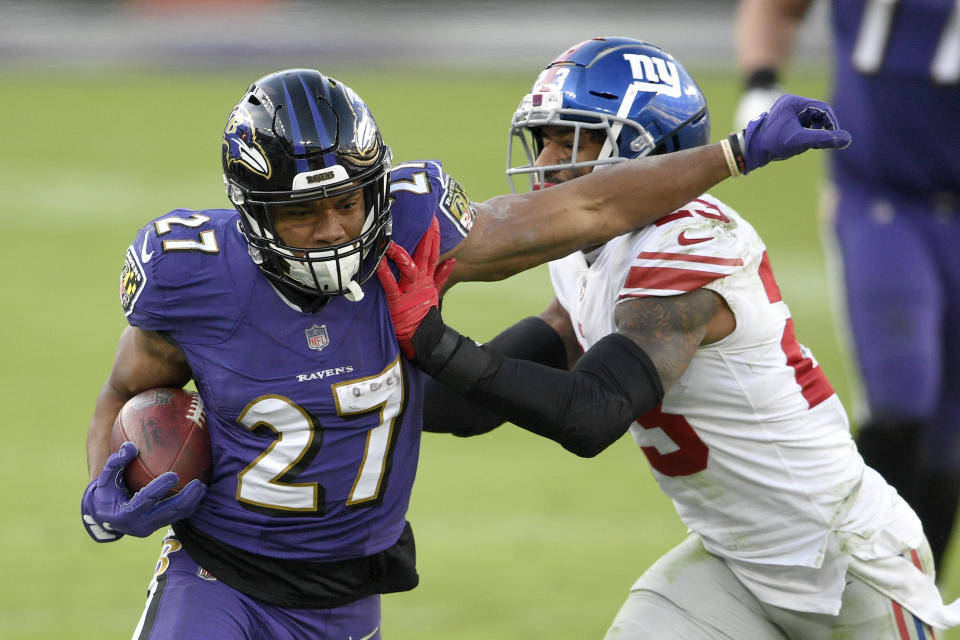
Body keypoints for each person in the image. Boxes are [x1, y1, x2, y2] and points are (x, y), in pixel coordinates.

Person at [80, 66, 846, 639]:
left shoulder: (413, 233)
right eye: (303, 214)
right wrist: (105, 485)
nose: (335, 229)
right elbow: (124, 390)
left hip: (348, 597)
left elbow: (590, 203)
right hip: (221, 581)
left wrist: (736, 153)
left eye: (348, 202)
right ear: (253, 214)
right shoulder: (192, 278)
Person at [378, 37, 960, 637]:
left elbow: (591, 414)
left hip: (845, 559)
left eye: (572, 138)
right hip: (733, 560)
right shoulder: (586, 256)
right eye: (544, 136)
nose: (548, 158)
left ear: (643, 148)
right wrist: (372, 363)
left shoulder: (692, 245)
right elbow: (468, 404)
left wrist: (437, 342)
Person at [733, 0, 960, 572]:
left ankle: (912, 602)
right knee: (901, 395)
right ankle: (855, 583)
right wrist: (761, 81)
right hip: (884, 194)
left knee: (951, 431)